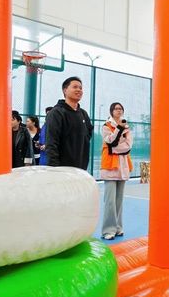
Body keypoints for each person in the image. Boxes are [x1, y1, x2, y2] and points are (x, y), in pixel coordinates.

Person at [100, 102, 133, 240]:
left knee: (119, 200)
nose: (119, 111)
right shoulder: (106, 126)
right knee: (110, 202)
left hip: (123, 167)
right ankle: (108, 230)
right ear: (111, 111)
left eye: (120, 109)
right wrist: (119, 130)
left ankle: (118, 228)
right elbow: (110, 142)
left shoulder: (127, 127)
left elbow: (128, 146)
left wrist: (115, 148)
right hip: (110, 167)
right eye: (116, 109)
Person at [46, 77, 93, 170]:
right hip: (62, 169)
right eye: (75, 87)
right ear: (65, 90)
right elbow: (51, 142)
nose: (79, 90)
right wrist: (55, 168)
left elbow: (88, 136)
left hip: (80, 169)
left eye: (80, 88)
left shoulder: (83, 114)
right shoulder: (56, 113)